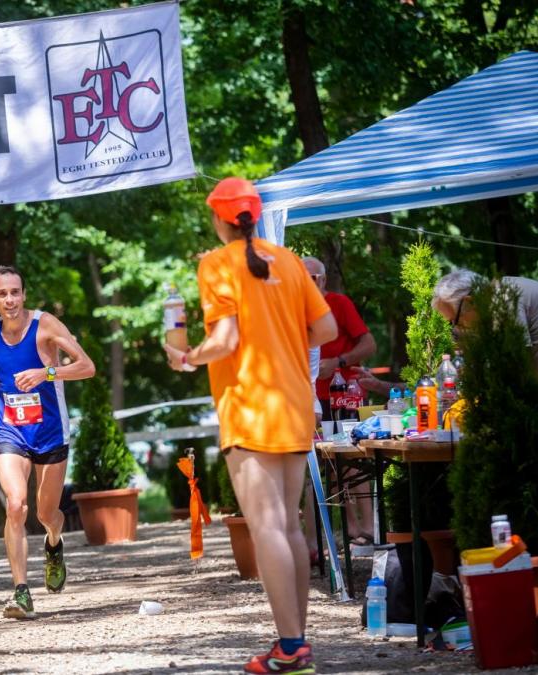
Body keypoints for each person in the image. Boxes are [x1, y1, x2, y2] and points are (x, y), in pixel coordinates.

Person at [163, 178, 337, 674]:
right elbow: (325, 330)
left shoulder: (215, 264)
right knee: (288, 525)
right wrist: (280, 328)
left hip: (249, 405)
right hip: (295, 404)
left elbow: (224, 339)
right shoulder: (287, 260)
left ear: (219, 219)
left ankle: (291, 646)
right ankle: (295, 644)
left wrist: (188, 358)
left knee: (267, 529)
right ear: (255, 217)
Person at [0, 266, 96, 620]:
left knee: (46, 513)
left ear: (24, 294)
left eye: (15, 292)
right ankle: (21, 592)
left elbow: (86, 366)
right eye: (2, 294)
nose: (10, 300)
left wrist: (46, 373)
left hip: (50, 431)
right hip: (11, 431)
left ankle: (53, 544)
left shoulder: (46, 325)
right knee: (16, 505)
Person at [433, 269, 538, 461]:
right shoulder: (498, 298)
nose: (457, 328)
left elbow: (513, 365)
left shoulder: (505, 299)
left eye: (455, 320)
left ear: (469, 301)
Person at [302, 256, 377, 547]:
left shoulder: (339, 303)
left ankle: (369, 528)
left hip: (345, 393)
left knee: (354, 461)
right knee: (329, 465)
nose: (306, 285)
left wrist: (338, 361)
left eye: (311, 279)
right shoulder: (294, 310)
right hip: (313, 399)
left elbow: (369, 344)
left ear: (322, 280)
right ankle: (349, 529)